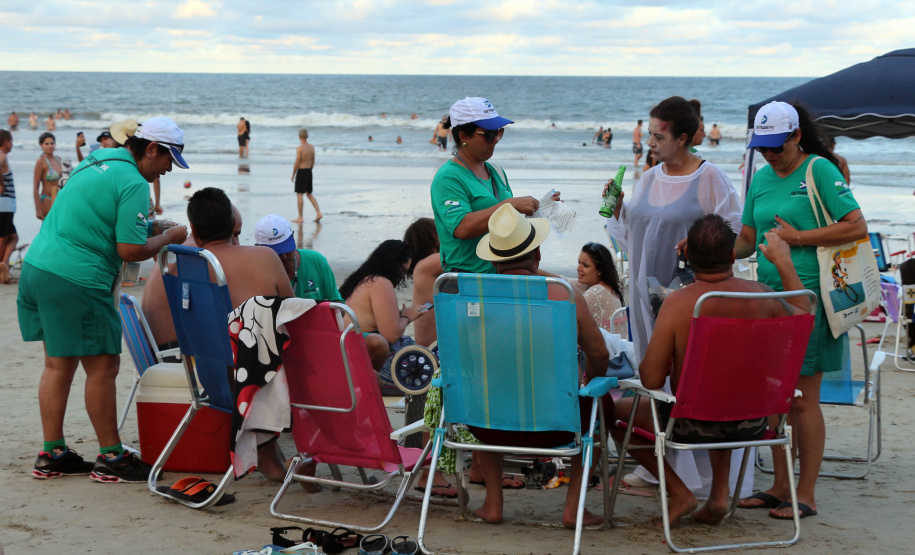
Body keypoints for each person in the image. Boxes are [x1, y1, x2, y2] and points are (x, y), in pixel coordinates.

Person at [610, 214, 814, 527]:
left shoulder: (679, 303)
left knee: (618, 413)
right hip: (756, 420)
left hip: (692, 424)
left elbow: (651, 379)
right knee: (726, 391)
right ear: (733, 255)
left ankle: (679, 492)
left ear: (687, 256)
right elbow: (803, 316)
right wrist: (784, 262)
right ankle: (719, 495)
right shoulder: (762, 295)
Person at [17, 116, 190, 484]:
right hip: (76, 278)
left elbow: (99, 218)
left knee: (57, 366)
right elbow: (129, 250)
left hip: (39, 267)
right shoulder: (133, 182)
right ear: (152, 149)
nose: (167, 171)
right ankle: (112, 457)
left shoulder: (95, 160)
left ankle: (52, 453)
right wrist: (170, 236)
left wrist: (149, 229)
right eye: (167, 162)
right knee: (104, 368)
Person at [735, 101, 867, 520]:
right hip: (767, 298)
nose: (771, 154)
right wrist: (708, 246)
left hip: (812, 298)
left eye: (777, 146)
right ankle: (778, 484)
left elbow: (856, 225)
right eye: (763, 147)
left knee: (803, 401)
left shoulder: (819, 170)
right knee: (776, 397)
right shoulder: (759, 177)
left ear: (796, 136)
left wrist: (798, 238)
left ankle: (805, 493)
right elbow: (747, 239)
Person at [470, 204, 610, 527]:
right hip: (555, 425)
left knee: (489, 390)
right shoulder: (565, 297)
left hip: (485, 422)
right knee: (602, 407)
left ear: (492, 259)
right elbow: (599, 355)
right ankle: (574, 508)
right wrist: (589, 383)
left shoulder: (471, 298)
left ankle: (493, 502)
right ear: (537, 258)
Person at [145, 188, 297, 481]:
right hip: (252, 382)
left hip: (207, 376)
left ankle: (267, 449)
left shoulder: (181, 262)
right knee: (267, 343)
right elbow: (292, 317)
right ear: (232, 227)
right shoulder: (264, 258)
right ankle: (283, 450)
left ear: (196, 233)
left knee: (247, 345)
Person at [430, 97, 541, 276]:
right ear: (464, 136)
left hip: (504, 275)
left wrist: (541, 207)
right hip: (468, 280)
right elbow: (462, 228)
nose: (495, 140)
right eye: (488, 134)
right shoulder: (448, 177)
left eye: (498, 132)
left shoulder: (496, 171)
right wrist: (509, 205)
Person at [142, 203, 244, 351]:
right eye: (233, 235)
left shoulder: (180, 249)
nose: (237, 243)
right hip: (178, 355)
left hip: (158, 349)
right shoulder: (199, 256)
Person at [338, 239, 422, 374]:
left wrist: (398, 316)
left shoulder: (362, 279)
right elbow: (391, 335)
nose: (403, 277)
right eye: (404, 271)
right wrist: (407, 317)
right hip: (365, 352)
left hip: (347, 348)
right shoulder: (380, 283)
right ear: (396, 266)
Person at [254, 213, 342, 303]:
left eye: (286, 248)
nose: (284, 257)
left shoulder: (316, 261)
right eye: (277, 253)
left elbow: (338, 305)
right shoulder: (253, 275)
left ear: (292, 236)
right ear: (258, 248)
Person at [563, 242, 626, 336]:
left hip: (607, 349)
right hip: (618, 347)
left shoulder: (595, 293)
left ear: (600, 270)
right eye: (579, 263)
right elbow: (564, 281)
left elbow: (567, 321)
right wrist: (536, 272)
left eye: (585, 265)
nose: (578, 268)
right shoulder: (609, 287)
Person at [403, 217, 440, 347]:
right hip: (431, 350)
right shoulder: (427, 265)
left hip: (431, 345)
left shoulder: (423, 267)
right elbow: (464, 257)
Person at [291, 128, 322, 223]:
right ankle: (318, 212)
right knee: (309, 193)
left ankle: (300, 216)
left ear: (299, 136)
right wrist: (310, 170)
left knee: (300, 194)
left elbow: (297, 162)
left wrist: (293, 174)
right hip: (309, 171)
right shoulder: (311, 147)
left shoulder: (300, 148)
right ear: (307, 136)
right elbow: (313, 161)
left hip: (301, 171)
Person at [0, 129, 17, 284]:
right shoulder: (1, 154)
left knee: (12, 237)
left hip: (6, 205)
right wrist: (1, 183)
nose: (12, 144)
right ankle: (1, 265)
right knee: (4, 237)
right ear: (4, 142)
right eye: (10, 141)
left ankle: (4, 263)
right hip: (4, 205)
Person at [33, 132, 62, 219]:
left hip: (59, 200)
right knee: (48, 230)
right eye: (47, 144)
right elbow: (35, 188)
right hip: (47, 200)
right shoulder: (41, 162)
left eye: (52, 143)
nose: (50, 146)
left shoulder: (59, 159)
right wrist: (38, 209)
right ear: (41, 145)